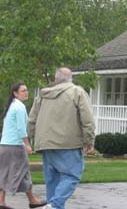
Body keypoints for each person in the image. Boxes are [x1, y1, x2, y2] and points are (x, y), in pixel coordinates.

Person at [28, 67, 95, 209]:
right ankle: (54, 205)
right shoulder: (77, 92)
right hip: (68, 143)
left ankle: (53, 205)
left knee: (52, 180)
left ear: (55, 78)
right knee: (72, 175)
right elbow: (87, 119)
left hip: (45, 144)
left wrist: (34, 138)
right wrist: (89, 140)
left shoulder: (43, 95)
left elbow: (31, 120)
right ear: (71, 78)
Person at [0, 82, 47, 209]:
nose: (26, 92)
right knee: (24, 171)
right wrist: (27, 145)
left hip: (4, 145)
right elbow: (21, 129)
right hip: (15, 146)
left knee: (5, 172)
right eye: (23, 91)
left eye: (27, 90)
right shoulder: (19, 107)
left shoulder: (11, 106)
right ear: (15, 93)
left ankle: (2, 202)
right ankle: (32, 200)